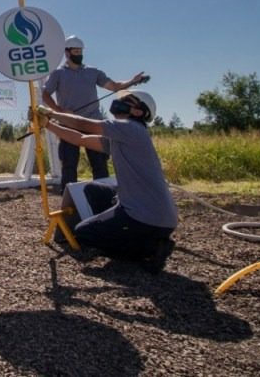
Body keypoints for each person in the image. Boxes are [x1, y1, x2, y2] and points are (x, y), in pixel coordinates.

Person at [37, 89, 177, 273]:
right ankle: (125, 232)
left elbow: (84, 125)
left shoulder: (131, 127)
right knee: (93, 189)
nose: (120, 102)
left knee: (84, 234)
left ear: (139, 112)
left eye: (128, 100)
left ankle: (149, 250)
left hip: (149, 218)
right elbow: (80, 138)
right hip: (150, 211)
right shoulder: (122, 135)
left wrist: (51, 113)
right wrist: (48, 125)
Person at [39, 35, 147, 190]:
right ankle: (69, 201)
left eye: (80, 51)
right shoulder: (58, 74)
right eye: (76, 51)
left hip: (94, 124)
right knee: (69, 165)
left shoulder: (93, 72)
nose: (79, 54)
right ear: (67, 53)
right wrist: (59, 110)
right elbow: (45, 94)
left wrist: (131, 81)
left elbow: (114, 86)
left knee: (99, 164)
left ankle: (106, 195)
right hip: (68, 124)